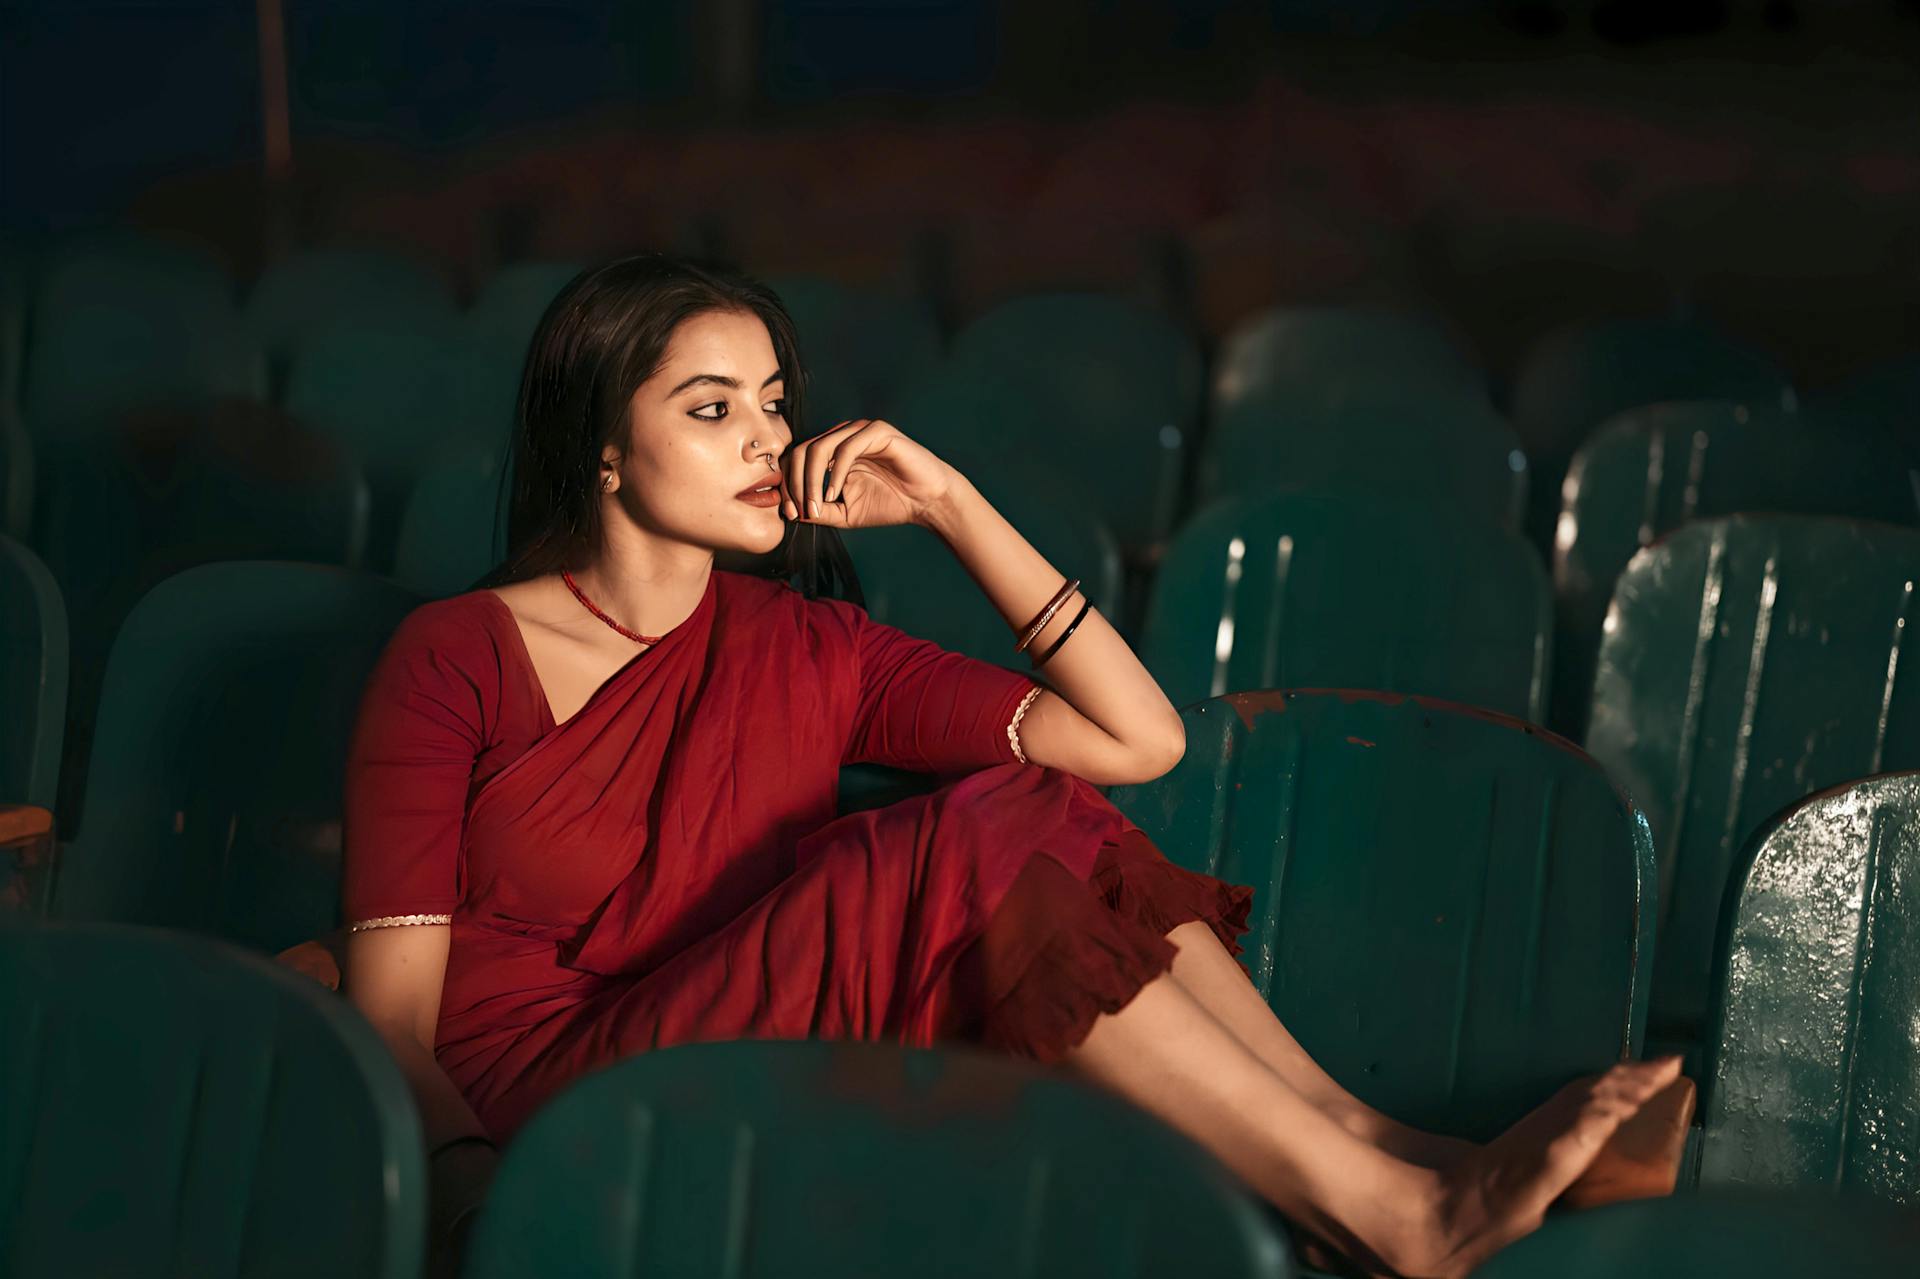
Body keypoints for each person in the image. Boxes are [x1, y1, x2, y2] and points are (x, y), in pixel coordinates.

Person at [341, 253, 1681, 1278]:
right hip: (551, 1093)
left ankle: (1387, 1155)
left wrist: (952, 506)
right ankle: (1397, 1214)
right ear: (604, 451)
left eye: (774, 403)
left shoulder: (811, 646)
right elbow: (399, 1021)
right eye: (710, 408)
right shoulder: (457, 653)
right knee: (962, 840)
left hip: (744, 1029)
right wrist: (470, 1207)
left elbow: (1135, 743)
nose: (766, 440)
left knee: (1040, 801)